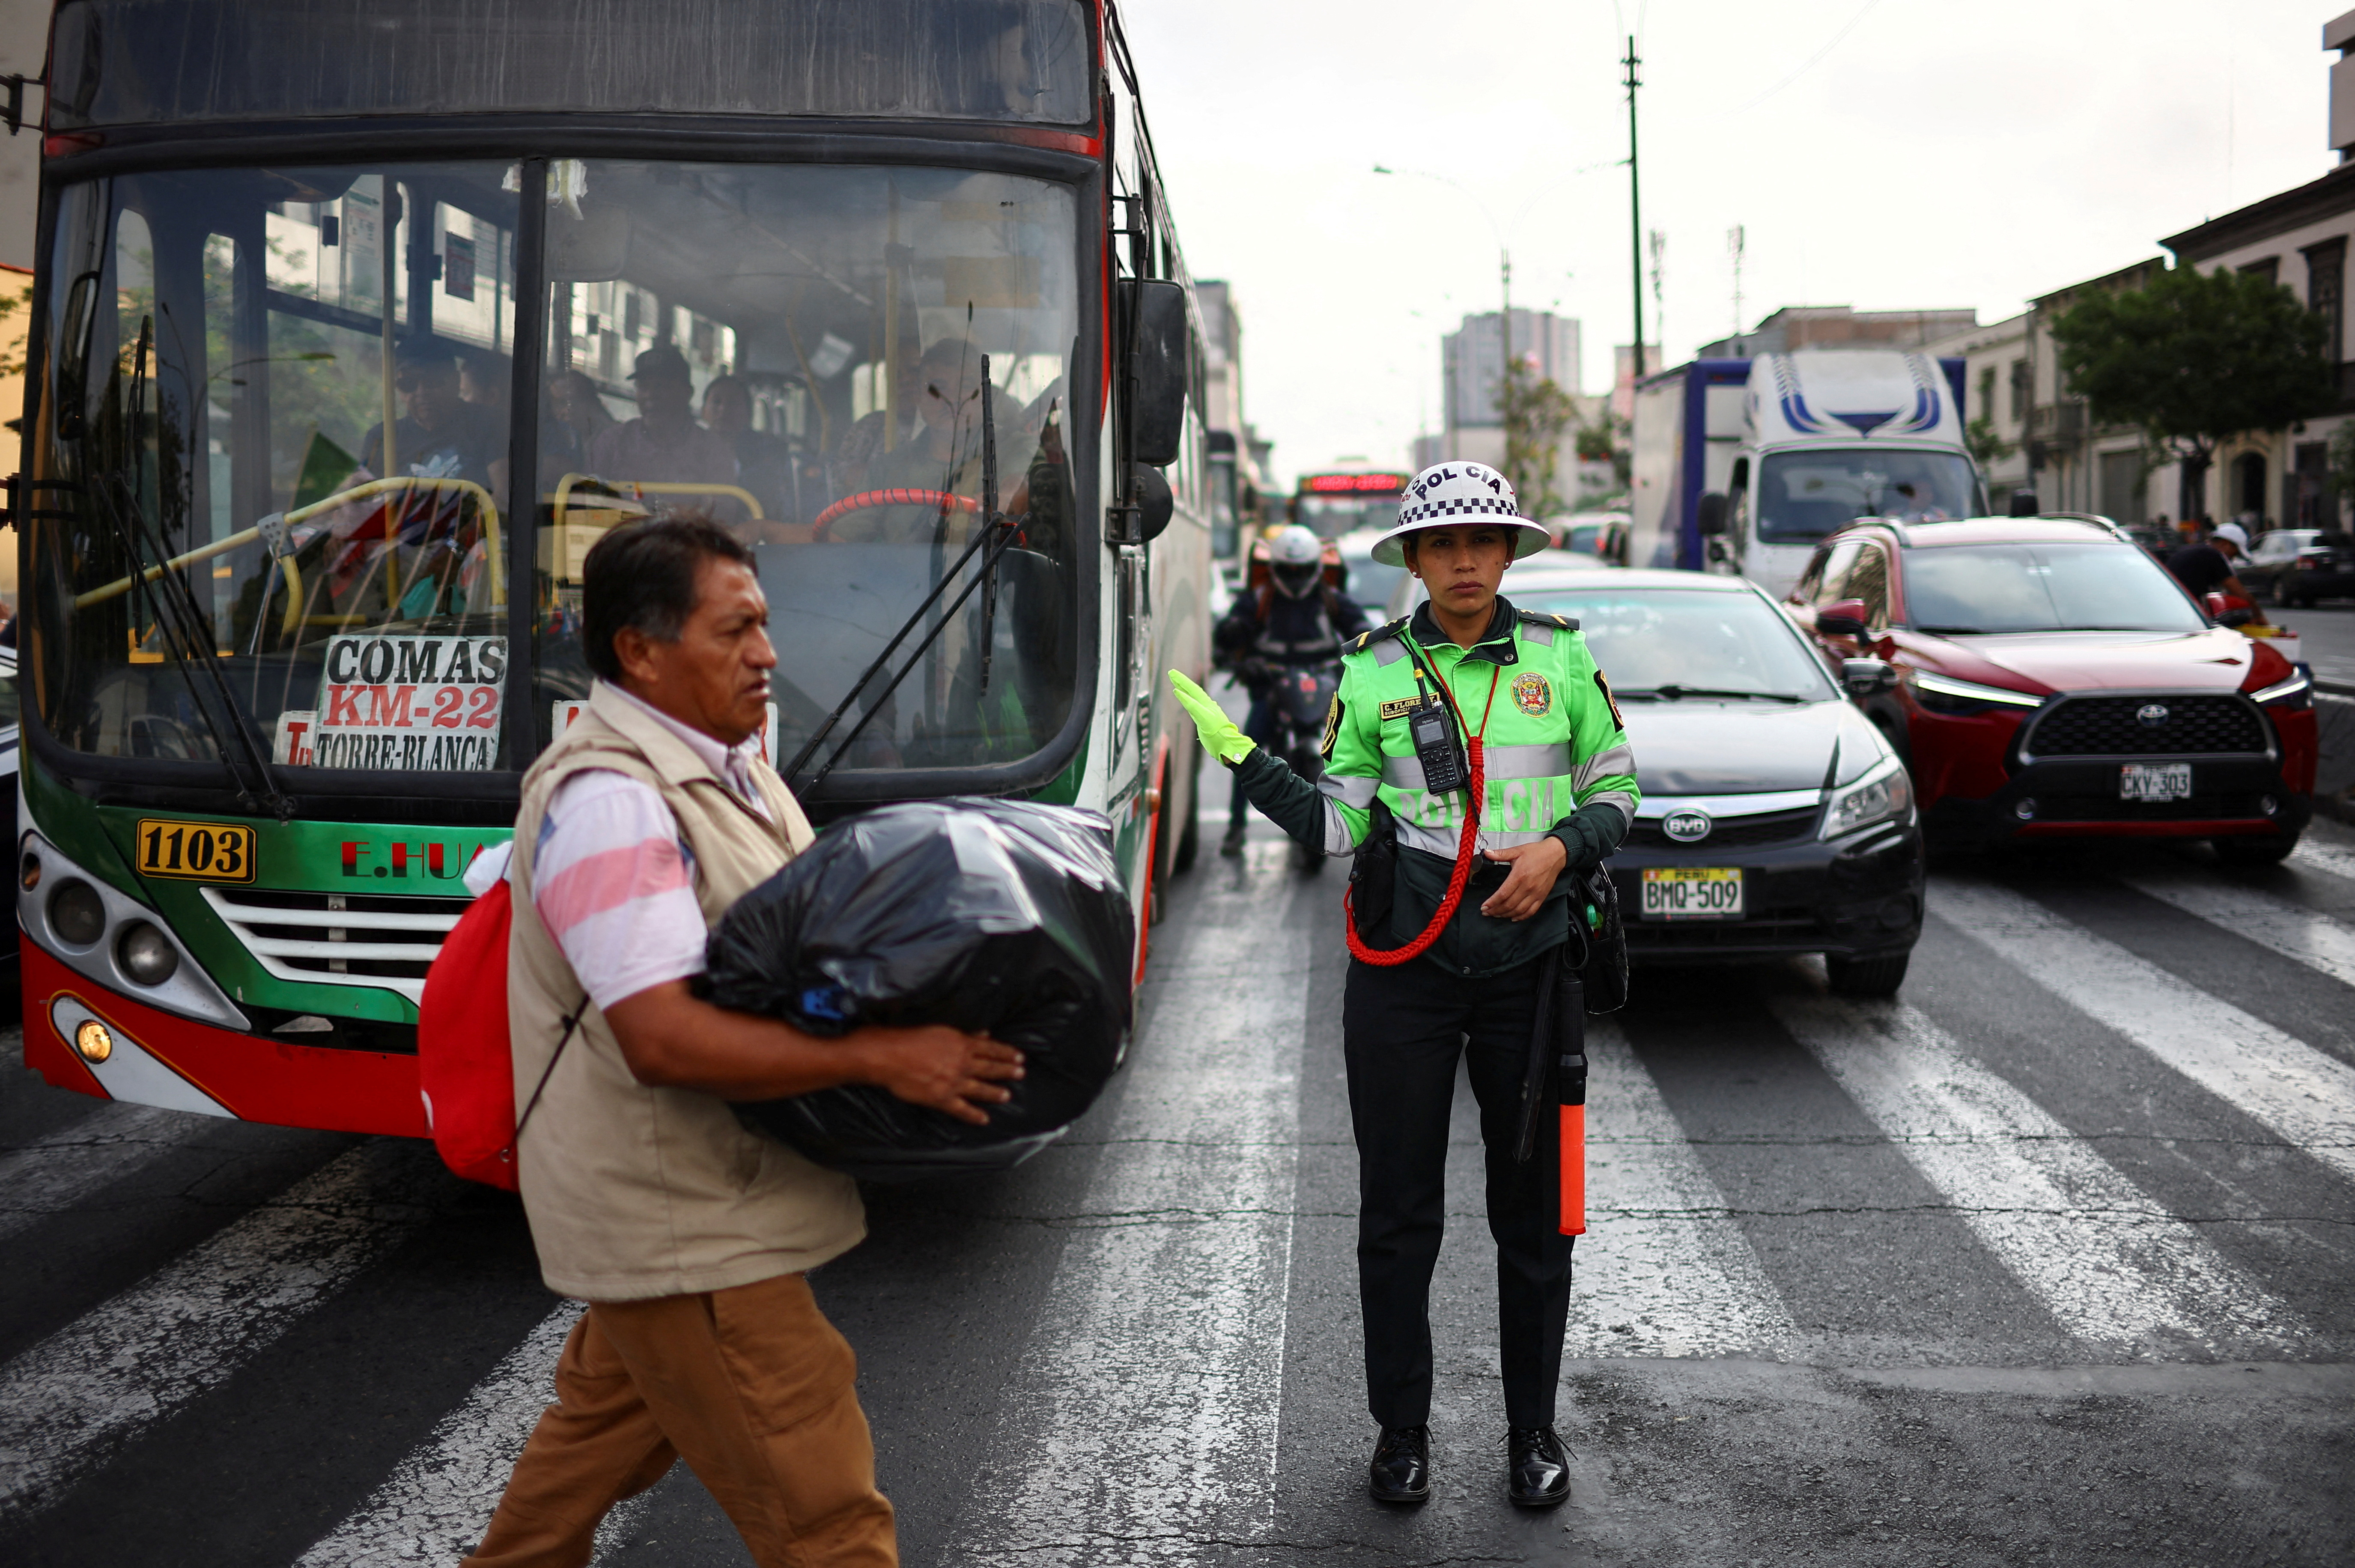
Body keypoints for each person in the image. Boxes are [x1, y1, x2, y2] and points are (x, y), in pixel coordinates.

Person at [463, 515, 1024, 1567]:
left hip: (697, 1199)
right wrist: (881, 1060)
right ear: (639, 650)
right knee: (826, 1522)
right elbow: (662, 1040)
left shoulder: (732, 766)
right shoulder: (613, 804)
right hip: (684, 1216)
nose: (769, 653)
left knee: (585, 1453)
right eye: (737, 630)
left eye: (763, 625)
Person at [1168, 461, 1639, 1511]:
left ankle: (1531, 1433)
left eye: (1481, 541)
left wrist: (1557, 852)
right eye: (1441, 545)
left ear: (1507, 552)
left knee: (1536, 1219)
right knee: (1396, 1218)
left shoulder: (1561, 659)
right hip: (1406, 974)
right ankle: (1402, 1434)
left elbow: (1616, 785)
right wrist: (1243, 757)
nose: (1463, 560)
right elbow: (1337, 824)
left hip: (1530, 975)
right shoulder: (1374, 672)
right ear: (1414, 561)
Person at [1211, 524, 1370, 856]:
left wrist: (1364, 645)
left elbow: (1361, 629)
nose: (1296, 577)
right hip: (1273, 689)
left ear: (1317, 568)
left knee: (1365, 744)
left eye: (1302, 570)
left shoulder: (1331, 599)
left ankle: (1370, 822)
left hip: (1324, 687)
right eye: (1288, 570)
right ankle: (1237, 826)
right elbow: (1227, 637)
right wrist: (1234, 642)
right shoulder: (1259, 600)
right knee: (1245, 751)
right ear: (1274, 570)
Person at [587, 343, 740, 489]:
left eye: (662, 387)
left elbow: (720, 511)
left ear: (687, 393)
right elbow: (589, 503)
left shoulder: (713, 450)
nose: (651, 395)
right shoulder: (612, 442)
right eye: (643, 387)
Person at [702, 373, 794, 520]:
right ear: (703, 411)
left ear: (748, 413)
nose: (724, 409)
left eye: (733, 404)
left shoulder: (769, 451)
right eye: (716, 402)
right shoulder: (688, 449)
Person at [2167, 520, 2270, 626]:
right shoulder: (2214, 556)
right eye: (2235, 554)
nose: (2232, 559)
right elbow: (2240, 593)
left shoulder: (2191, 550)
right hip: (2186, 615)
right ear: (2225, 544)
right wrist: (2259, 617)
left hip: (2169, 610)